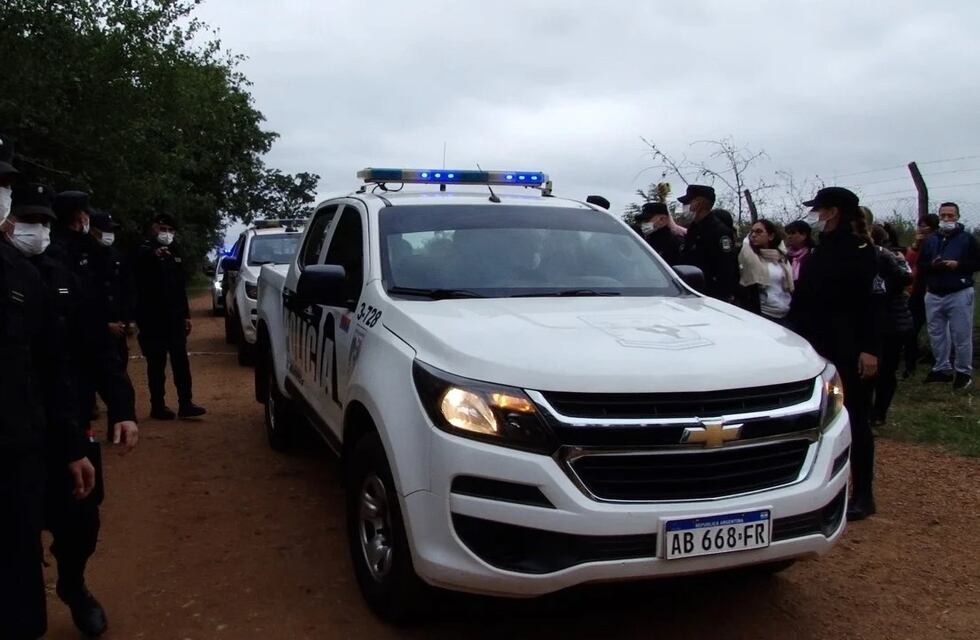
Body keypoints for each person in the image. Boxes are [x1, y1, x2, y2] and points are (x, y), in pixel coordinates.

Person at [1, 182, 97, 640]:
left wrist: (76, 438)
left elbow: (58, 360)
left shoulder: (33, 275)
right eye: (28, 220)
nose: (36, 230)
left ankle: (74, 586)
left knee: (77, 520)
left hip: (33, 433)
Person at [49, 190, 139, 637]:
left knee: (82, 517)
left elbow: (98, 348)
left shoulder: (63, 271)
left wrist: (122, 408)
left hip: (69, 412)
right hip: (13, 423)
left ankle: (72, 584)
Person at [787, 187, 880, 521]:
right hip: (817, 342)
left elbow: (869, 305)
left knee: (854, 417)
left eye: (821, 209)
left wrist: (870, 349)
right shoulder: (821, 249)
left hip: (849, 345)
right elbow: (806, 297)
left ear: (834, 212)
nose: (817, 215)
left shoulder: (860, 250)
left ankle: (864, 494)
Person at [133, 213, 206, 419]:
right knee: (156, 365)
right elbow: (137, 275)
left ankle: (186, 403)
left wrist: (186, 315)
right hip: (152, 319)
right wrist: (153, 255)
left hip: (174, 318)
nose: (166, 234)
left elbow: (179, 286)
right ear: (153, 228)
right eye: (162, 229)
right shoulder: (144, 251)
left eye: (170, 230)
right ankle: (158, 406)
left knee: (181, 362)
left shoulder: (174, 251)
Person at [918, 202, 980, 389]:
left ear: (957, 217)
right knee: (937, 334)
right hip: (934, 292)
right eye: (943, 215)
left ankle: (963, 372)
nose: (946, 219)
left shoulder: (967, 239)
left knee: (961, 334)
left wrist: (958, 265)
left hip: (959, 291)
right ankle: (941, 368)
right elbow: (921, 265)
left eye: (950, 215)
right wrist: (933, 266)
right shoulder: (931, 240)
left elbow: (977, 263)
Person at [869, 224, 913, 425]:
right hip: (879, 322)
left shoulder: (887, 257)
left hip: (892, 322)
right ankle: (871, 411)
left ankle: (879, 413)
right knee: (873, 372)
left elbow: (905, 279)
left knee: (886, 371)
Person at [678, 185, 739, 301]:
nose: (684, 207)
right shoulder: (693, 229)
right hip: (690, 292)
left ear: (699, 203)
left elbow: (726, 269)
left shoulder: (720, 232)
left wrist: (721, 297)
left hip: (711, 295)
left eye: (687, 202)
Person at [89, 210, 132, 364]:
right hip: (95, 330)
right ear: (93, 230)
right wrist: (104, 325)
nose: (109, 234)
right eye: (105, 230)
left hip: (118, 328)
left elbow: (125, 289)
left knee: (120, 367)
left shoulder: (117, 256)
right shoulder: (85, 257)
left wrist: (126, 321)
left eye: (111, 230)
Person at [903, 214, 939, 376]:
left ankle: (938, 362)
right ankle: (910, 365)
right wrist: (916, 244)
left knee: (937, 329)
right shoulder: (917, 245)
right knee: (911, 329)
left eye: (926, 227)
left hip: (933, 290)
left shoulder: (938, 243)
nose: (922, 230)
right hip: (917, 291)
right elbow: (909, 262)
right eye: (920, 226)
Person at [737, 219, 793, 323]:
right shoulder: (750, 257)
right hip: (763, 314)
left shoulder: (782, 258)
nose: (753, 235)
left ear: (771, 236)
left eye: (759, 232)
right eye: (752, 232)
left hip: (784, 313)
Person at [783, 219, 815, 284]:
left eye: (792, 233)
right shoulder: (785, 256)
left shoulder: (813, 254)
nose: (789, 236)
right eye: (788, 233)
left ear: (803, 235)